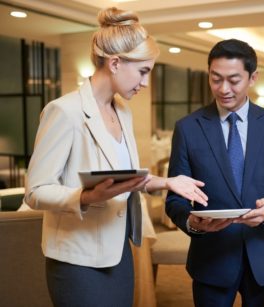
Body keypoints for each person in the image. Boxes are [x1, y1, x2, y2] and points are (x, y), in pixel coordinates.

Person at [25, 7, 207, 307]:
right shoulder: (64, 112)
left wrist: (166, 182)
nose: (145, 82)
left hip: (119, 251)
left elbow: (124, 177)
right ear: (114, 63)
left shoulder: (122, 111)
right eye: (143, 71)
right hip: (78, 260)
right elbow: (35, 191)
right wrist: (86, 196)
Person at [165, 38, 264, 307]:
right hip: (212, 259)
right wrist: (192, 223)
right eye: (216, 79)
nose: (223, 89)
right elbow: (175, 200)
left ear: (253, 77)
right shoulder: (188, 128)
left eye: (234, 80)